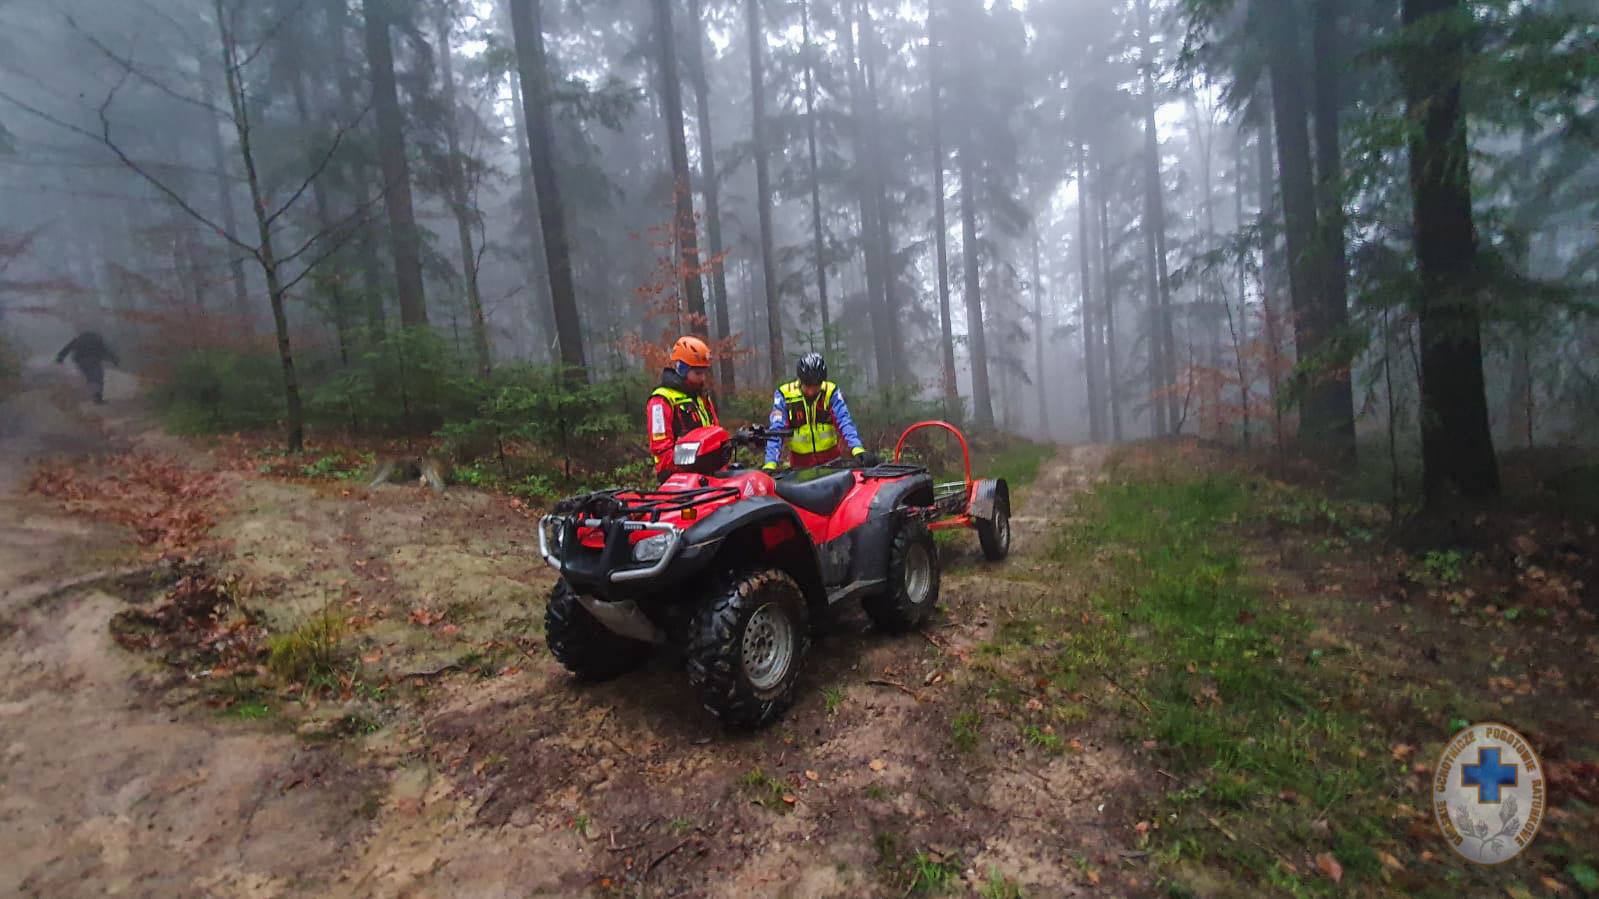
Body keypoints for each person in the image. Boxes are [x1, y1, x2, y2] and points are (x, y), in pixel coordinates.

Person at [763, 352, 868, 471]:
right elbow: (776, 430)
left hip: (831, 462)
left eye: (816, 386)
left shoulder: (830, 392)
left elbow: (844, 421)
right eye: (808, 386)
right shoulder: (785, 395)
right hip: (800, 465)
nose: (811, 391)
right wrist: (770, 463)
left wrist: (857, 448)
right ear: (800, 381)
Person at [646, 335, 719, 481]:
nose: (702, 378)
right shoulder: (661, 401)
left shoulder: (701, 397)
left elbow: (715, 432)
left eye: (704, 373)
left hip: (707, 474)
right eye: (698, 373)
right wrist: (698, 460)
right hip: (678, 479)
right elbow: (662, 452)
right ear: (682, 369)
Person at [55, 330, 120, 404]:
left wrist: (60, 358)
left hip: (81, 361)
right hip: (94, 361)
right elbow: (106, 350)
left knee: (87, 377)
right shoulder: (97, 339)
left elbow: (67, 348)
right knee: (96, 378)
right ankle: (97, 398)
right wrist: (114, 359)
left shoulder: (78, 339)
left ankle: (86, 394)